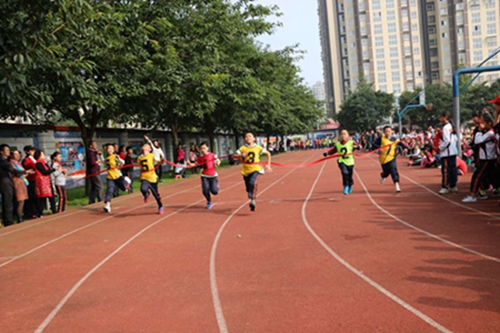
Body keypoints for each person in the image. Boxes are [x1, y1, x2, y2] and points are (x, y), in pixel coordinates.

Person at [462, 113, 498, 202]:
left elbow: (478, 140)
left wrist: (479, 130)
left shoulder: (490, 133)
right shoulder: (489, 132)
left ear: (489, 123)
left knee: (477, 176)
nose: (481, 125)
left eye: (483, 123)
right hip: (488, 158)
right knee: (493, 176)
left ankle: (473, 196)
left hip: (487, 159)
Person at [233, 132, 272, 211]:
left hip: (256, 169)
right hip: (246, 170)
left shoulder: (258, 147)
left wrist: (268, 164)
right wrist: (241, 155)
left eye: (250, 136)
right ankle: (251, 196)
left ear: (254, 138)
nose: (248, 138)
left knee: (253, 182)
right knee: (248, 188)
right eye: (246, 137)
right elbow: (234, 156)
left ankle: (253, 200)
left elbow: (268, 153)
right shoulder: (243, 148)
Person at [1, 144, 31, 227]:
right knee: (8, 203)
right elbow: (14, 171)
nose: (8, 152)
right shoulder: (3, 161)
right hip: (5, 183)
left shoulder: (6, 161)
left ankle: (8, 220)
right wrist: (26, 172)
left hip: (9, 182)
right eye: (6, 150)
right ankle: (8, 221)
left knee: (9, 202)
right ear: (1, 152)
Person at [323, 129, 360, 195]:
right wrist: (327, 153)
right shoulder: (338, 144)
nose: (343, 136)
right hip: (341, 161)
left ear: (348, 135)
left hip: (350, 161)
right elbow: (333, 150)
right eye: (342, 134)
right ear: (340, 136)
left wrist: (358, 147)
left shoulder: (351, 142)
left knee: (349, 175)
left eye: (344, 134)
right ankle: (345, 186)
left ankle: (350, 185)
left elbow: (358, 146)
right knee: (344, 173)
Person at [187, 142, 220, 209]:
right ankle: (209, 201)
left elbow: (218, 161)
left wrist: (217, 163)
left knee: (214, 191)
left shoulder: (212, 155)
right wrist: (190, 164)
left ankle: (216, 187)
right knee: (205, 190)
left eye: (204, 148)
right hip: (204, 176)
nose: (203, 150)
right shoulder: (200, 158)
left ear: (207, 148)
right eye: (201, 148)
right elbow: (195, 164)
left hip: (212, 175)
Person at [373, 126, 407, 192]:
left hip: (391, 158)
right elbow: (374, 145)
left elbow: (401, 143)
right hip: (383, 159)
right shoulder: (381, 138)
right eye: (386, 131)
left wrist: (405, 148)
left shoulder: (394, 139)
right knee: (386, 173)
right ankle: (383, 175)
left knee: (393, 170)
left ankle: (397, 185)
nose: (388, 133)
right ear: (384, 132)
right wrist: (379, 148)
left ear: (392, 132)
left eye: (389, 131)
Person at [138, 141, 164, 214]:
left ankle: (160, 205)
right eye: (144, 145)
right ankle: (146, 194)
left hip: (152, 177)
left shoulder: (152, 156)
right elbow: (141, 168)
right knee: (143, 188)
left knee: (156, 195)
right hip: (144, 177)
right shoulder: (140, 158)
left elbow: (159, 162)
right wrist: (140, 176)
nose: (144, 146)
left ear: (149, 149)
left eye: (146, 145)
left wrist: (161, 161)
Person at [103, 144, 131, 213]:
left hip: (118, 176)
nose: (110, 150)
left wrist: (119, 159)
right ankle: (108, 205)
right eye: (108, 149)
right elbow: (103, 164)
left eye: (111, 149)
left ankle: (127, 181)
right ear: (106, 150)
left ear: (113, 150)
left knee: (124, 189)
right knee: (110, 190)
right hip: (110, 177)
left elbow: (123, 163)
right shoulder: (106, 159)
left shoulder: (115, 156)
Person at [438, 111, 459, 194]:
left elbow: (447, 141)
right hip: (452, 152)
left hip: (447, 153)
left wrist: (440, 148)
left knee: (446, 170)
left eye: (440, 117)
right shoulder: (450, 126)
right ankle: (453, 185)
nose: (439, 119)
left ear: (445, 117)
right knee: (452, 169)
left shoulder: (446, 127)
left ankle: (445, 186)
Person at [34, 149, 56, 217]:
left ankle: (54, 210)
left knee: (51, 197)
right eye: (43, 154)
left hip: (47, 182)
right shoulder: (38, 163)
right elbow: (45, 172)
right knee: (42, 198)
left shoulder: (43, 162)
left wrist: (46, 163)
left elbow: (48, 169)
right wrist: (54, 169)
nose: (44, 155)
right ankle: (40, 212)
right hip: (42, 183)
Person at [10, 149, 29, 223]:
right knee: (20, 200)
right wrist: (24, 172)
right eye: (15, 154)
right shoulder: (12, 163)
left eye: (18, 154)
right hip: (17, 182)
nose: (17, 156)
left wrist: (26, 173)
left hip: (22, 181)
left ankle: (20, 215)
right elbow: (16, 173)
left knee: (22, 200)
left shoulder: (18, 163)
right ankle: (19, 218)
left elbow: (23, 172)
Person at [22, 145, 37, 219]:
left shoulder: (34, 159)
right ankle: (31, 212)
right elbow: (31, 167)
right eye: (31, 150)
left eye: (34, 150)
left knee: (35, 195)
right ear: (27, 152)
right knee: (31, 196)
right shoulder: (27, 160)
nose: (33, 152)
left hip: (36, 179)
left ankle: (35, 211)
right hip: (30, 179)